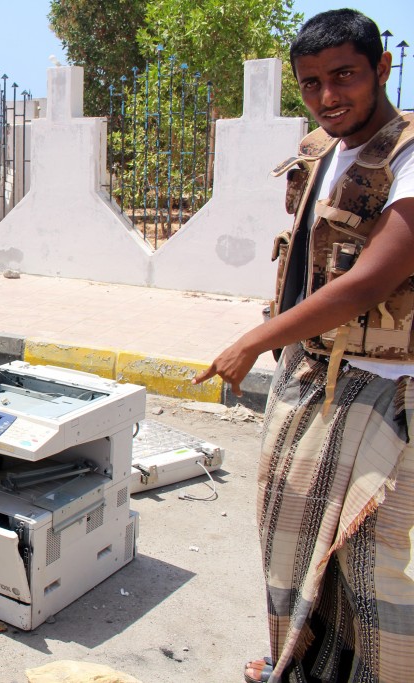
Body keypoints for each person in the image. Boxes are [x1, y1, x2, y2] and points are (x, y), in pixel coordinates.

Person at [193, 9, 414, 683]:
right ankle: (303, 662)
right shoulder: (323, 149)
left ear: (381, 68)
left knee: (379, 565)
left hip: (384, 391)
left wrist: (255, 340)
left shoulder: (407, 153)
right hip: (311, 377)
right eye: (311, 82)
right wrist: (286, 347)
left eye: (344, 75)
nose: (327, 96)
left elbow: (375, 276)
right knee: (291, 544)